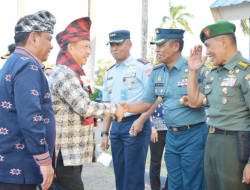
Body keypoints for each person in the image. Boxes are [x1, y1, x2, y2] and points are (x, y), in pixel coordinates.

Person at [121, 28, 210, 190]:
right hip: (172, 136)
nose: (157, 50)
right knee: (174, 183)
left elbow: (214, 95)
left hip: (194, 135)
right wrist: (129, 107)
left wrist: (199, 100)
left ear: (176, 46)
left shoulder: (195, 68)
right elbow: (147, 102)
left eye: (161, 45)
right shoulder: (157, 72)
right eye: (156, 46)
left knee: (193, 183)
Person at [49, 17, 125, 190]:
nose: (88, 52)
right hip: (65, 154)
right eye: (85, 47)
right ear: (70, 47)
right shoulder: (65, 73)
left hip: (69, 154)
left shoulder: (69, 71)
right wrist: (116, 109)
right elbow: (86, 107)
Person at [187, 21, 250, 190]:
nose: (206, 53)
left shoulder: (245, 71)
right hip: (212, 141)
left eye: (208, 46)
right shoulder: (214, 74)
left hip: (234, 145)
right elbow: (194, 101)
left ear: (224, 42)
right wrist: (192, 71)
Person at [0, 10, 56, 190]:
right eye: (48, 38)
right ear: (33, 38)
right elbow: (31, 118)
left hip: (12, 164)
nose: (52, 46)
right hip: (20, 166)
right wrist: (45, 161)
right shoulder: (27, 65)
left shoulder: (13, 62)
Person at [101, 30, 152, 190]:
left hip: (135, 123)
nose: (114, 48)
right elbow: (107, 106)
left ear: (129, 44)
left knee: (133, 176)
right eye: (112, 45)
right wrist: (104, 133)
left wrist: (141, 120)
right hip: (116, 126)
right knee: (120, 174)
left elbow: (153, 98)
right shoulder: (109, 73)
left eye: (119, 44)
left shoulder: (142, 67)